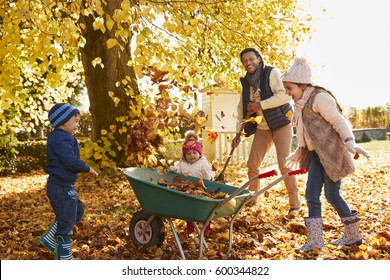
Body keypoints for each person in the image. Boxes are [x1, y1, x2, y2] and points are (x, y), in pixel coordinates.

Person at [281, 57, 370, 252]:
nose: (288, 93)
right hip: (316, 157)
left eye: (290, 88)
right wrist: (299, 150)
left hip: (330, 154)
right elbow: (305, 132)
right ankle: (314, 241)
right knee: (311, 195)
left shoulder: (320, 98)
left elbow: (339, 122)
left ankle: (353, 236)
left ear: (302, 84)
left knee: (332, 194)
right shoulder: (301, 104)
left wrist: (350, 143)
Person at [232, 47, 300, 213]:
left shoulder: (271, 73)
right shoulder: (247, 82)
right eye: (244, 61)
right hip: (263, 127)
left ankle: (295, 204)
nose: (248, 63)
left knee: (284, 164)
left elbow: (285, 95)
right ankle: (253, 197)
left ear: (259, 59)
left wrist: (260, 105)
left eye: (251, 59)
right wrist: (238, 133)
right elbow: (242, 108)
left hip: (281, 124)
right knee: (252, 163)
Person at [40, 103, 98, 260]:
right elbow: (69, 160)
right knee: (66, 222)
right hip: (59, 187)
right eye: (75, 121)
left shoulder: (64, 137)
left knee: (77, 211)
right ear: (62, 122)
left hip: (65, 186)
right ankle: (64, 255)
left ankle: (50, 239)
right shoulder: (60, 138)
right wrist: (86, 168)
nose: (78, 125)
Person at [169, 131, 215, 236]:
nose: (192, 156)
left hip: (202, 190)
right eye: (188, 154)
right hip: (188, 191)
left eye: (194, 152)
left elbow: (211, 174)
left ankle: (206, 228)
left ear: (199, 153)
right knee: (189, 211)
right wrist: (174, 169)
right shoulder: (183, 164)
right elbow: (178, 169)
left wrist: (207, 175)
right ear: (185, 156)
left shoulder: (203, 163)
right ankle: (190, 229)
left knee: (205, 211)